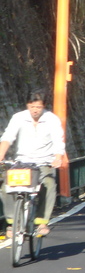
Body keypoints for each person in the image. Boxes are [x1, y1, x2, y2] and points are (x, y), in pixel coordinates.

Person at [0, 89, 65, 237]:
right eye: (32, 107)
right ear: (27, 105)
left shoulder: (52, 119)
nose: (35, 110)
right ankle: (12, 221)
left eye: (38, 107)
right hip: (22, 162)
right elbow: (8, 136)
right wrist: (1, 153)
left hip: (44, 162)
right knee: (5, 188)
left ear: (44, 106)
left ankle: (42, 221)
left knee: (48, 184)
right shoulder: (19, 118)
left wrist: (58, 157)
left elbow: (58, 141)